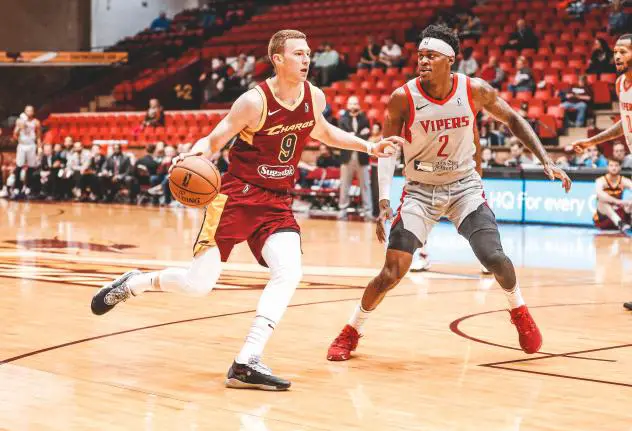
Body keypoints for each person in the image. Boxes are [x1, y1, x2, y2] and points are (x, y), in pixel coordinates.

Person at [90, 29, 401, 391]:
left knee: (289, 271)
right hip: (236, 198)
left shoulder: (313, 96)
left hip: (276, 202)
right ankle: (135, 283)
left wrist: (370, 146)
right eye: (298, 54)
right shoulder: (253, 102)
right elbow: (215, 138)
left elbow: (325, 131)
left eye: (308, 53)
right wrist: (193, 153)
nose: (306, 60)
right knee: (198, 285)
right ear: (278, 59)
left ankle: (246, 361)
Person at [327, 24, 571, 362]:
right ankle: (351, 330)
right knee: (391, 272)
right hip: (420, 190)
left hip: (464, 187)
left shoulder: (474, 90)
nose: (423, 60)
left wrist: (545, 160)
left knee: (494, 258)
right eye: (420, 55)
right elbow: (387, 149)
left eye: (431, 56)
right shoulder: (403, 97)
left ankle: (519, 310)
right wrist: (384, 199)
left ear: (450, 60)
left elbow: (514, 119)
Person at [571, 34, 632, 311]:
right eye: (615, 51)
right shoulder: (621, 84)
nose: (616, 56)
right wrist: (593, 141)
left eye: (623, 51)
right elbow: (624, 124)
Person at [338, 95, 373, 218]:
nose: (353, 106)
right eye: (351, 103)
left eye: (355, 103)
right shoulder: (342, 119)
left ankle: (368, 211)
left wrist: (352, 135)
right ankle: (342, 210)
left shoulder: (364, 119)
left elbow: (367, 135)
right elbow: (343, 137)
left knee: (365, 185)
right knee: (344, 184)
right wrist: (358, 135)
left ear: (358, 105)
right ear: (347, 105)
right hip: (347, 157)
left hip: (362, 157)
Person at [592, 159, 632, 233]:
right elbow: (599, 194)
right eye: (611, 165)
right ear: (607, 167)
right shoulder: (601, 180)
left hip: (620, 212)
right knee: (601, 201)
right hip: (604, 218)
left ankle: (626, 224)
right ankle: (619, 222)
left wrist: (629, 202)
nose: (614, 168)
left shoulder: (624, 181)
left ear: (620, 167)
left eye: (616, 165)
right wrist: (618, 202)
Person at [12, 105, 41, 199]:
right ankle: (17, 188)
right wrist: (20, 128)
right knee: (19, 166)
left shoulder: (36, 122)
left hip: (31, 145)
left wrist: (39, 147)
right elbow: (14, 136)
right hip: (22, 145)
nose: (29, 112)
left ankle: (28, 187)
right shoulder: (19, 121)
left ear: (33, 112)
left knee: (31, 167)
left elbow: (39, 136)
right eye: (27, 111)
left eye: (31, 111)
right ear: (24, 112)